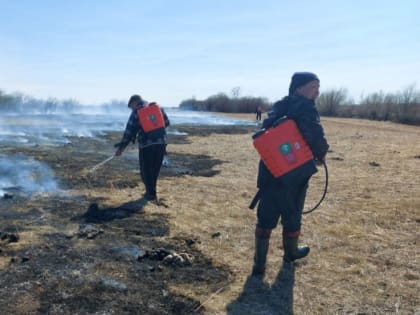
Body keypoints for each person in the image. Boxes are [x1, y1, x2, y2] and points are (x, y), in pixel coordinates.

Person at [252, 72, 329, 276]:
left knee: (265, 216)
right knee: (293, 212)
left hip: (270, 170)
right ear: (298, 88)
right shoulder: (306, 108)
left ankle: (259, 266)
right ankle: (291, 253)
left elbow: (265, 133)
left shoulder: (279, 106)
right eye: (313, 86)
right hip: (295, 173)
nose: (317, 91)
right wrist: (321, 154)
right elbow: (315, 135)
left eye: (318, 87)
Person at [115, 95, 170, 201]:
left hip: (146, 145)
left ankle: (151, 194)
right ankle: (151, 192)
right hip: (161, 143)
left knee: (146, 170)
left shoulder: (137, 111)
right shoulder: (157, 108)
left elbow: (129, 131)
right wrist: (154, 130)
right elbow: (166, 123)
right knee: (155, 169)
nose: (132, 109)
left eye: (131, 107)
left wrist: (121, 147)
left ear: (134, 102)